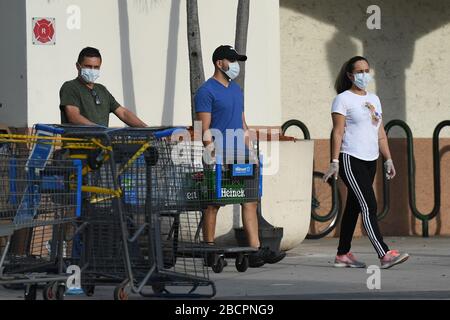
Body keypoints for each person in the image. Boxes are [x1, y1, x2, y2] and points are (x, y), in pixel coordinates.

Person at [195, 45, 285, 267]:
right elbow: (203, 128)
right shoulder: (206, 91)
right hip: (219, 156)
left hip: (242, 155)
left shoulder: (237, 90)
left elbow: (242, 122)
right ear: (219, 63)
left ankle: (255, 251)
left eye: (237, 61)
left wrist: (251, 151)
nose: (236, 65)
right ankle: (208, 250)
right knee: (213, 203)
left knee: (250, 201)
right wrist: (212, 153)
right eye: (232, 60)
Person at [324, 56, 409, 269]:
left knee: (353, 206)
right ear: (350, 75)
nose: (364, 75)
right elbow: (337, 131)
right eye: (359, 71)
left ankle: (342, 254)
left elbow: (380, 132)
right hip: (350, 158)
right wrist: (334, 161)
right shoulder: (343, 99)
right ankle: (384, 254)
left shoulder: (375, 99)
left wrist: (388, 158)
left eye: (367, 70)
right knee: (368, 204)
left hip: (370, 160)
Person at [59, 47, 147, 127]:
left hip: (103, 143)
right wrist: (100, 130)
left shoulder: (102, 90)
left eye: (96, 67)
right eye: (88, 66)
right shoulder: (70, 87)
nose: (92, 70)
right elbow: (74, 117)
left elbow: (123, 113)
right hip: (79, 144)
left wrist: (146, 128)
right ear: (78, 66)